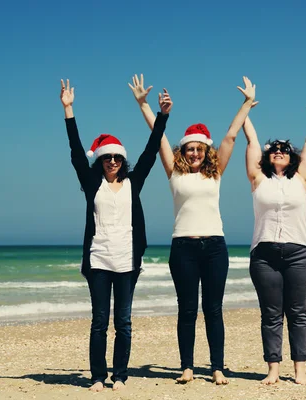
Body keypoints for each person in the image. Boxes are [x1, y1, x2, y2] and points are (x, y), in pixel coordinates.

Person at [128, 74, 256, 385]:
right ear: (183, 151)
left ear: (206, 151)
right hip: (182, 248)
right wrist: (145, 105)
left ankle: (217, 367)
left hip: (214, 247)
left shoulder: (216, 173)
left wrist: (247, 104)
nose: (195, 154)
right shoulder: (173, 170)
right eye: (190, 150)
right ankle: (186, 367)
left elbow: (230, 138)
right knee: (187, 309)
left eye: (199, 149)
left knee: (213, 309)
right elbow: (157, 137)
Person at [60, 78, 171, 392]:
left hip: (126, 260)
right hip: (98, 259)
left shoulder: (134, 182)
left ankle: (119, 375)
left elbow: (151, 151)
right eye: (107, 157)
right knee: (99, 322)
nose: (111, 161)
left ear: (123, 160)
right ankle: (97, 376)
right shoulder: (93, 184)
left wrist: (162, 116)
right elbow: (75, 153)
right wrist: (68, 110)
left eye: (117, 157)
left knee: (123, 322)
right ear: (101, 160)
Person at [241, 103, 306, 385]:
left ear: (293, 158)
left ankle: (300, 369)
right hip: (264, 254)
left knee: (298, 313)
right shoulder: (258, 179)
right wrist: (245, 108)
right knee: (271, 314)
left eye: (284, 149)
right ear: (267, 156)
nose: (279, 150)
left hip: (300, 253)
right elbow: (252, 140)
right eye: (274, 148)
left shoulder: (302, 179)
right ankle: (273, 369)